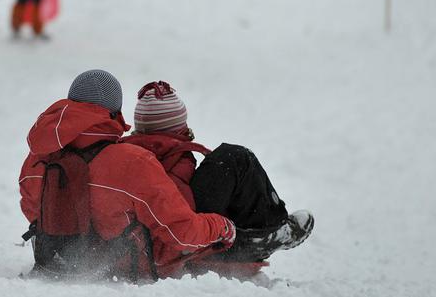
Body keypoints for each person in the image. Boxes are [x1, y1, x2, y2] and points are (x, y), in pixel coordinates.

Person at [18, 70, 236, 281]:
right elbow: (181, 233)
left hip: (54, 261)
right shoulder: (133, 161)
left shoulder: (38, 156)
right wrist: (222, 226)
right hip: (127, 270)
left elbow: (32, 208)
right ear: (115, 111)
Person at [121, 81, 314, 263]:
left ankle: (250, 236)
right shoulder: (163, 159)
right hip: (184, 240)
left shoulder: (130, 155)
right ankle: (271, 231)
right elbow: (177, 213)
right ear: (178, 129)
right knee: (234, 159)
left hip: (162, 237)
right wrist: (220, 227)